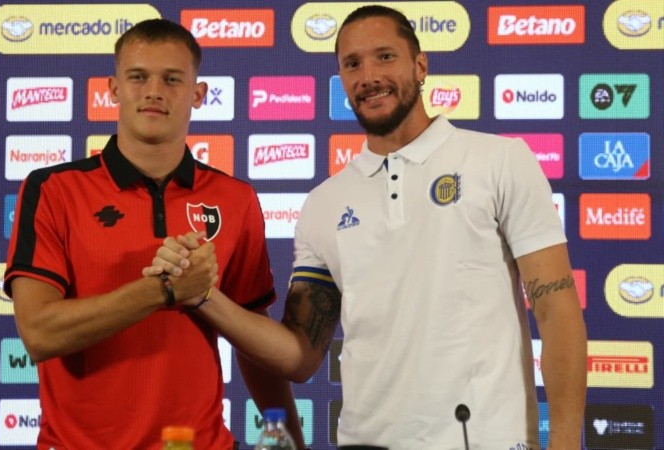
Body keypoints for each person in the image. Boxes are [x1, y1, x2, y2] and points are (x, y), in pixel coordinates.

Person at [147, 5, 587, 449]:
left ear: (420, 66)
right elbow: (300, 355)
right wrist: (204, 296)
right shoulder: (324, 203)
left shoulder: (500, 160)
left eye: (385, 57)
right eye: (352, 64)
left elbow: (556, 312)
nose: (369, 75)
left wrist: (566, 442)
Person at [4, 19, 306, 449]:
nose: (153, 91)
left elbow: (252, 343)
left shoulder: (235, 198)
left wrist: (292, 440)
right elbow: (39, 333)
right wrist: (165, 290)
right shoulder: (54, 189)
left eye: (172, 79)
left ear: (198, 95)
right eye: (138, 76)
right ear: (113, 88)